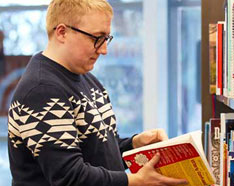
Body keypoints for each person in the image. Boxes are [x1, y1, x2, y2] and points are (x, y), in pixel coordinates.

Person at [7, 0, 188, 186]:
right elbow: (70, 177)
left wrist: (134, 144)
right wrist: (135, 181)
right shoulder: (42, 90)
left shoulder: (85, 78)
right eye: (96, 38)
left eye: (107, 38)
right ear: (62, 32)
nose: (104, 50)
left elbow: (97, 153)